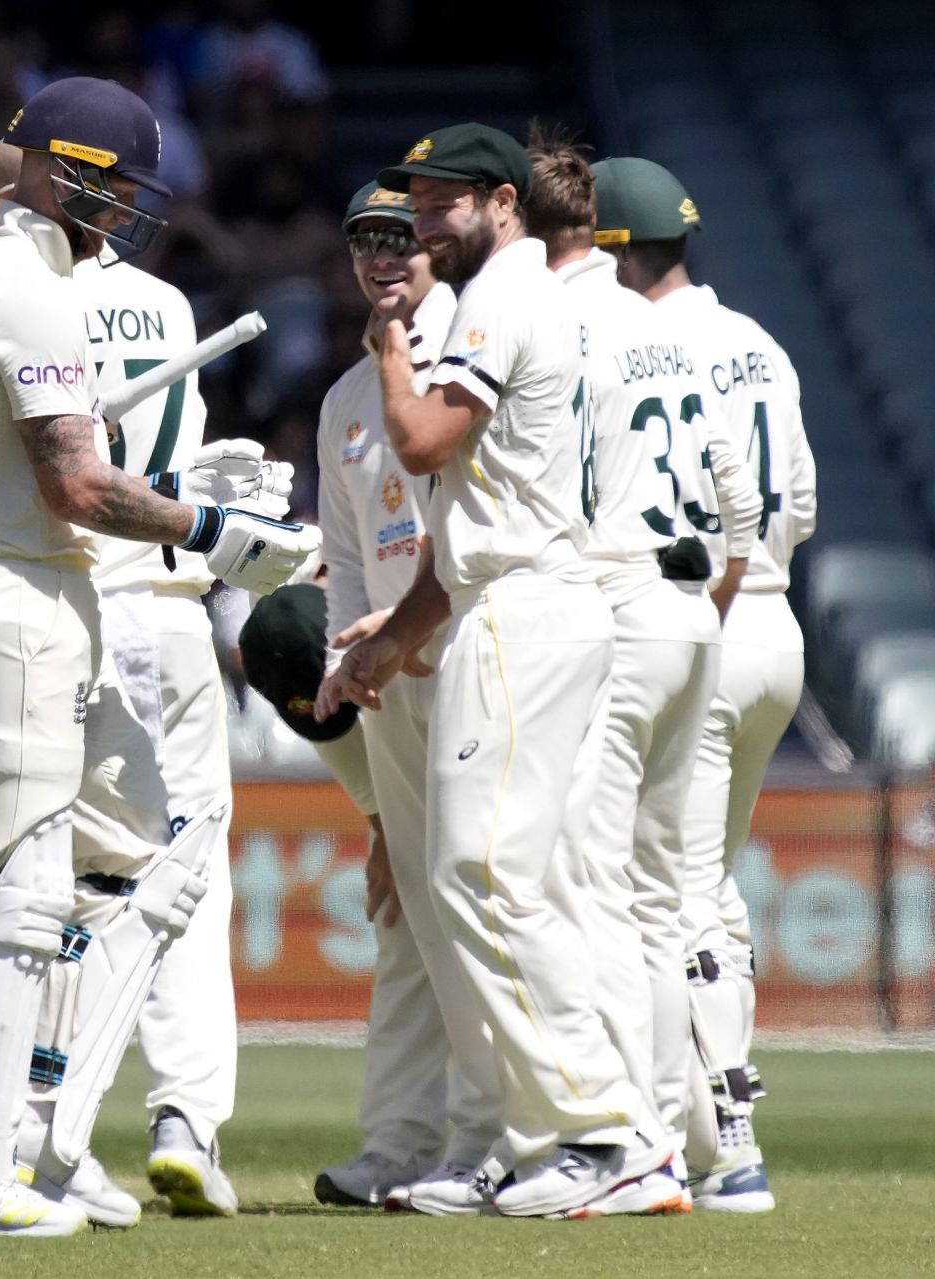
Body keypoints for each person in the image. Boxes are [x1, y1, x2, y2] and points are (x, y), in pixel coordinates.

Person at [0, 77, 319, 1236]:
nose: (125, 209)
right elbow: (76, 482)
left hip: (41, 595)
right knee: (19, 904)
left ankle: (14, 1145)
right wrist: (220, 533)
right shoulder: (19, 290)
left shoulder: (19, 288)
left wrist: (189, 499)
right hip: (20, 595)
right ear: (56, 170)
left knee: (125, 870)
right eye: (113, 184)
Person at [317, 123, 666, 1219]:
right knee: (471, 880)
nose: (422, 226)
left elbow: (418, 444)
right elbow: (464, 531)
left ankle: (605, 1133)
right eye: (413, 209)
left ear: (503, 203)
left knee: (485, 873)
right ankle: (533, 1137)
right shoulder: (502, 297)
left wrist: (388, 355)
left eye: (440, 206)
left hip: (527, 612)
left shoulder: (499, 300)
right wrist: (387, 644)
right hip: (495, 604)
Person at [525, 135, 763, 1214]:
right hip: (692, 611)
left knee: (596, 888)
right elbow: (744, 507)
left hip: (616, 606)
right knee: (672, 899)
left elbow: (555, 494)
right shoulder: (663, 328)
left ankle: (636, 1143)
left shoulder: (563, 322)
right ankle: (674, 1138)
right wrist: (699, 604)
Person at [593, 155, 816, 1214]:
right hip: (776, 622)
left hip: (703, 613)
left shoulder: (646, 337)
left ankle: (720, 1143)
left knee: (678, 893)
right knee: (702, 883)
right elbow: (800, 502)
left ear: (620, 250)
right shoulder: (760, 344)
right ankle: (706, 1128)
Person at [304, 182, 505, 1214]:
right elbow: (346, 552)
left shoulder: (470, 353)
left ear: (436, 247)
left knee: (476, 898)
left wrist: (412, 633)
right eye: (363, 242)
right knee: (410, 912)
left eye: (401, 239)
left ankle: (489, 1138)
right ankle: (397, 1142)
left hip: (472, 655)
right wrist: (353, 656)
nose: (383, 257)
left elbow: (468, 527)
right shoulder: (346, 397)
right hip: (389, 675)